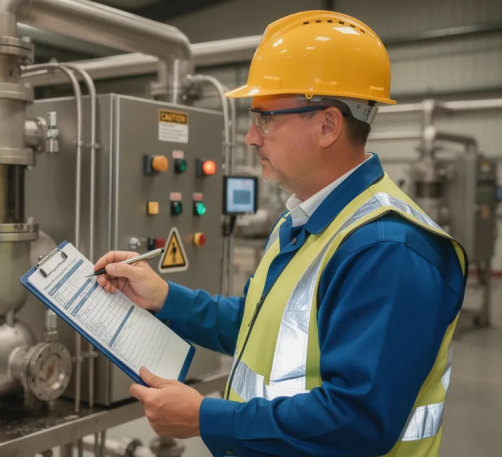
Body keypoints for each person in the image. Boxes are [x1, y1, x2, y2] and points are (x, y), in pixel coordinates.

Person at [93, 10, 466, 457]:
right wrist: (165, 298)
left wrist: (206, 417)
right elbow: (257, 324)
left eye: (264, 118)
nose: (251, 137)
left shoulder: (388, 249)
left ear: (328, 125)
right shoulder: (302, 221)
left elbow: (358, 420)